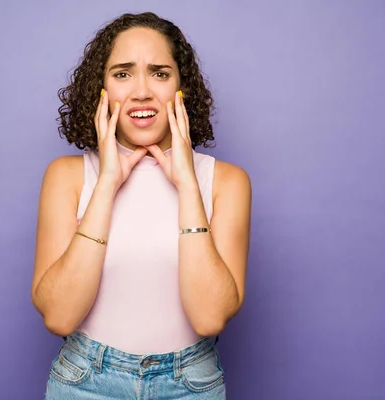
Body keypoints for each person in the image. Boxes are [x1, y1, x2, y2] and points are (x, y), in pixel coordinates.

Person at [31, 12, 251, 399]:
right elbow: (59, 316)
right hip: (86, 382)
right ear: (100, 88)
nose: (142, 91)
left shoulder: (226, 182)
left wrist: (186, 184)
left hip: (190, 384)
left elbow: (209, 316)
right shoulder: (66, 176)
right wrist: (107, 184)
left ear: (182, 87)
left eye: (160, 73)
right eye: (122, 73)